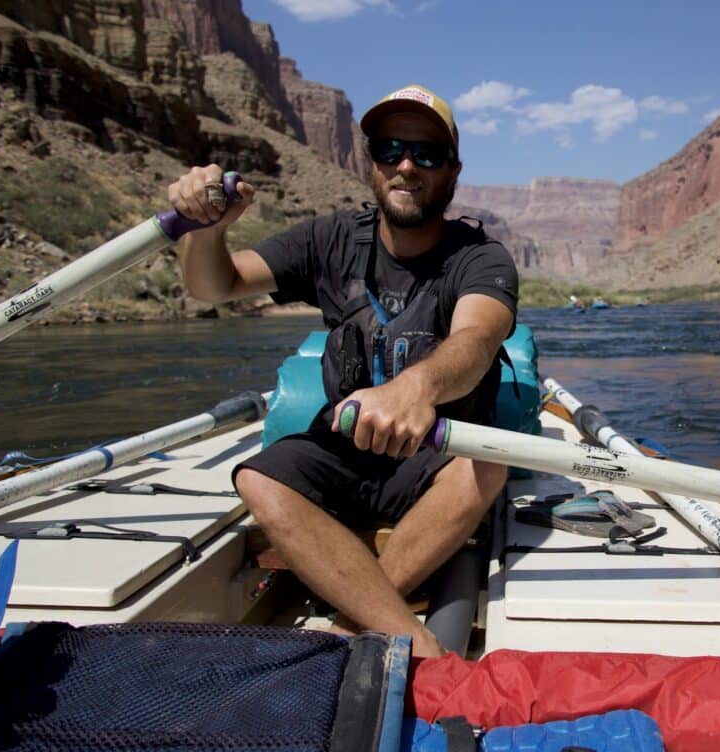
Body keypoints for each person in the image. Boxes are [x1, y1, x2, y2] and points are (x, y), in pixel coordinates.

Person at [168, 84, 518, 658]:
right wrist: (206, 229)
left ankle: (351, 625)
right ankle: (406, 634)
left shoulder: (481, 258)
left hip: (435, 454)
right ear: (371, 162)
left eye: (426, 154)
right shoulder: (329, 241)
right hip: (345, 447)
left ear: (452, 172)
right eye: (390, 150)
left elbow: (479, 339)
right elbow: (215, 286)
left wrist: (416, 388)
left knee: (489, 466)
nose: (407, 166)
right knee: (257, 477)